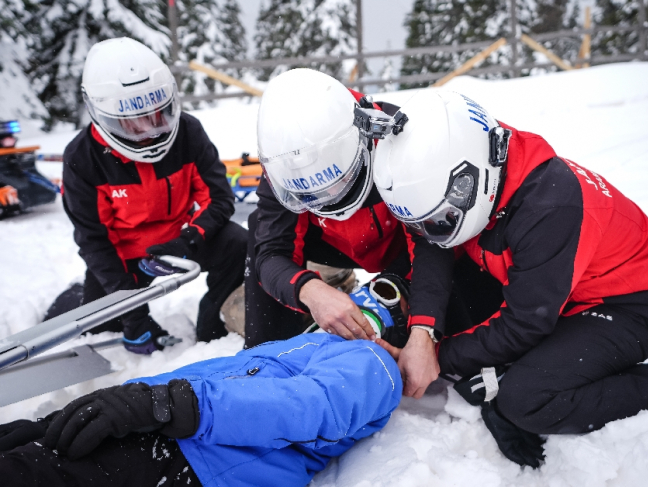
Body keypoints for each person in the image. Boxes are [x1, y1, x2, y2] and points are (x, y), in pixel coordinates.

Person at [372, 90, 648, 466]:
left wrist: (437, 355)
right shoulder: (470, 158)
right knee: (457, 324)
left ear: (467, 182)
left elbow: (524, 324)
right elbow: (431, 247)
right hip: (563, 287)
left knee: (527, 399)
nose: (430, 231)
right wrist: (424, 332)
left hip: (638, 305)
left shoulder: (548, 208)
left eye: (439, 220)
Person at [0, 331, 402, 487]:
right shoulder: (304, 345)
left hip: (199, 459)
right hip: (163, 433)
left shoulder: (370, 358)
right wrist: (115, 406)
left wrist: (164, 405)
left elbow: (311, 407)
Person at [60, 37, 245, 354]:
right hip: (125, 254)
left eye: (158, 115)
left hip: (182, 238)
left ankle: (212, 329)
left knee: (238, 244)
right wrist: (133, 314)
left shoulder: (188, 132)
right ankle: (77, 299)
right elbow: (94, 241)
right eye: (132, 125)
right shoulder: (82, 158)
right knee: (102, 326)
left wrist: (188, 240)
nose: (150, 132)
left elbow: (219, 199)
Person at [244, 68, 413, 348]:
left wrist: (393, 285)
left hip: (401, 240)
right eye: (310, 194)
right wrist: (308, 289)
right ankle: (266, 349)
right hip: (337, 243)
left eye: (337, 183)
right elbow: (271, 252)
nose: (328, 199)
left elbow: (433, 245)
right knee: (258, 228)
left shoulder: (399, 137)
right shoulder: (283, 161)